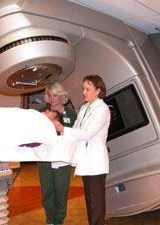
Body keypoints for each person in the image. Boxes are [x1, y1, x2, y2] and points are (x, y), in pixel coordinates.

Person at [53, 75, 110, 225]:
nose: (83, 92)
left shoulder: (102, 109)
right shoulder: (84, 108)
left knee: (96, 203)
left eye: (87, 89)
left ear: (98, 91)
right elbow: (76, 129)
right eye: (83, 89)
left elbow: (88, 134)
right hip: (86, 161)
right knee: (90, 201)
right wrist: (58, 136)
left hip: (96, 162)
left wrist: (62, 129)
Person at [37, 82, 77, 225]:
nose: (52, 98)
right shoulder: (42, 112)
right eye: (49, 95)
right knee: (47, 192)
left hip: (62, 160)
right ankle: (50, 220)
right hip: (45, 160)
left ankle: (59, 220)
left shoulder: (71, 114)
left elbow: (74, 136)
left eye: (55, 95)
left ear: (62, 96)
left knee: (61, 192)